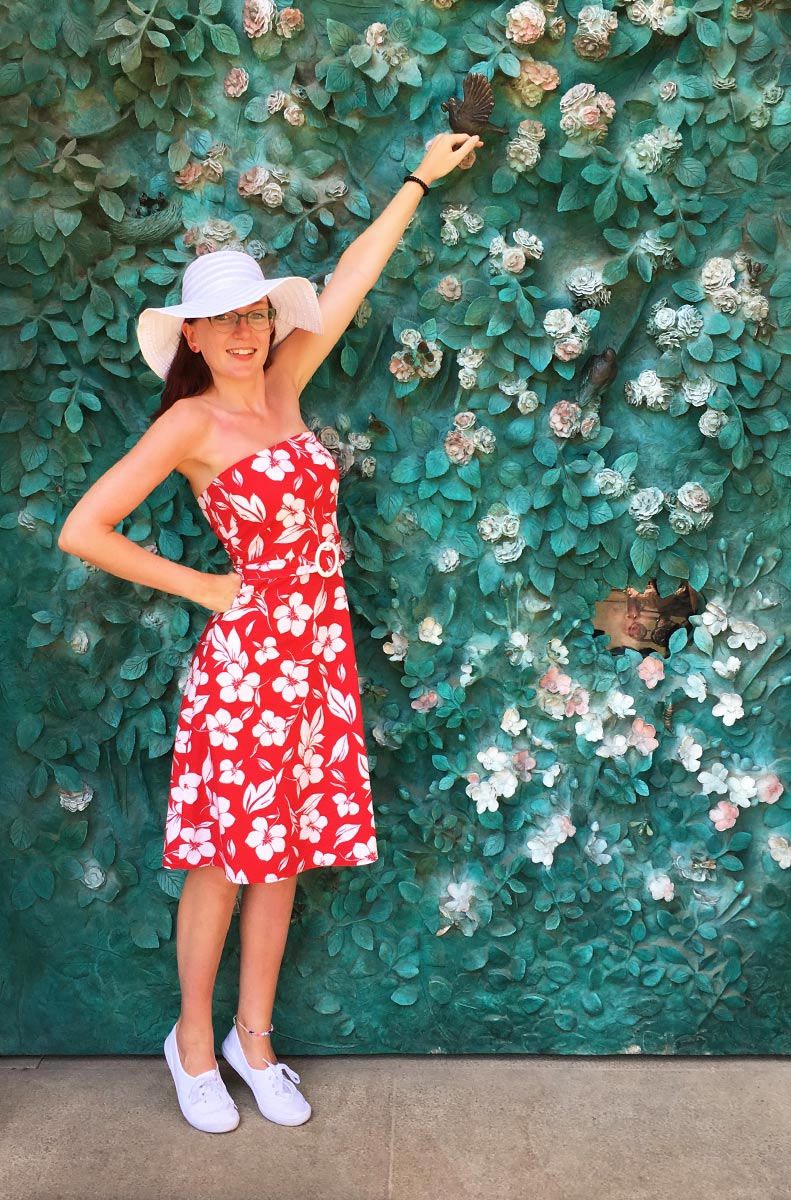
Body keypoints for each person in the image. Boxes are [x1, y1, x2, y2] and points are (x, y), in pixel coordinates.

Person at [57, 131, 484, 1134]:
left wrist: (419, 177)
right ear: (192, 339)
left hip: (318, 661)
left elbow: (347, 282)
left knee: (281, 856)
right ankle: (193, 1045)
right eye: (222, 321)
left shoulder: (286, 387)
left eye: (251, 313)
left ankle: (256, 1040)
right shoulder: (187, 427)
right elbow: (83, 528)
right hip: (247, 668)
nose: (244, 331)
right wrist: (205, 589)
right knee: (222, 858)